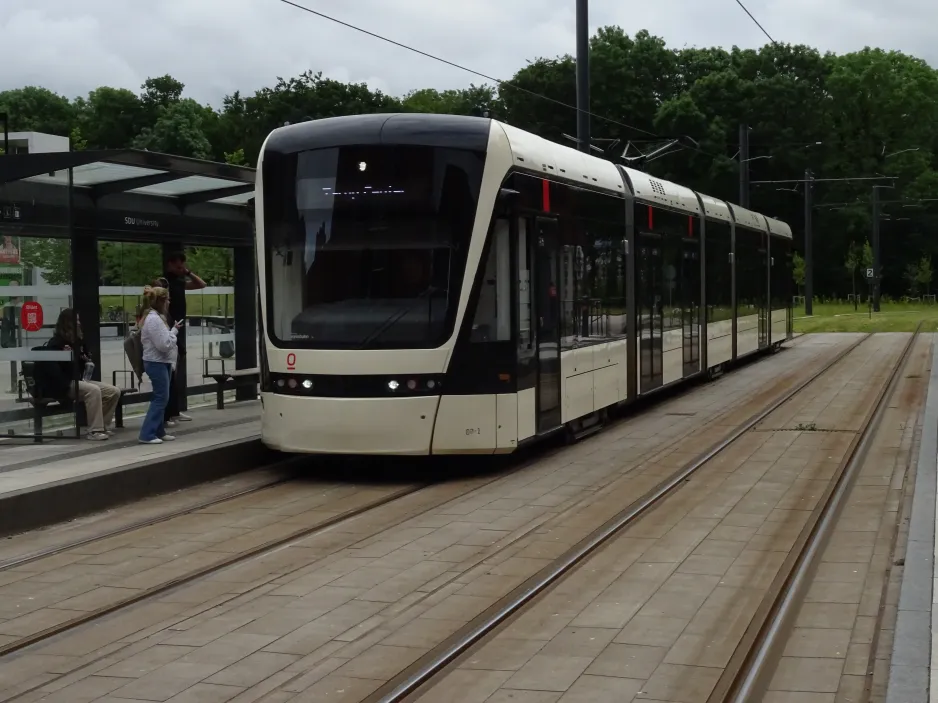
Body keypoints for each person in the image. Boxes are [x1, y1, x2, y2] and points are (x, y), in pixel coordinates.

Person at [44, 309, 121, 441]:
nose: (79, 323)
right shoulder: (56, 342)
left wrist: (84, 358)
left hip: (79, 380)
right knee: (93, 391)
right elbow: (54, 369)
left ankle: (103, 425)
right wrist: (65, 357)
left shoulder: (78, 342)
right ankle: (94, 431)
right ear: (68, 323)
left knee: (113, 391)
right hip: (65, 384)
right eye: (77, 320)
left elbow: (81, 364)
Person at [163, 252, 206, 427]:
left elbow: (202, 284)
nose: (181, 270)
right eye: (178, 266)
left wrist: (187, 272)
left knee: (175, 372)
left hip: (177, 330)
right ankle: (168, 413)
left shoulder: (180, 282)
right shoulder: (164, 283)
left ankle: (174, 411)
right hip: (169, 330)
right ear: (170, 265)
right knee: (170, 373)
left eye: (183, 266)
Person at [139, 286, 183, 444]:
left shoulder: (155, 318)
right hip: (156, 361)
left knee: (162, 396)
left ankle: (158, 431)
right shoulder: (154, 320)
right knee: (160, 397)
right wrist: (174, 332)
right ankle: (147, 433)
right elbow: (164, 344)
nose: (170, 302)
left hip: (161, 361)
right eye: (168, 299)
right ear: (162, 301)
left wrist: (172, 331)